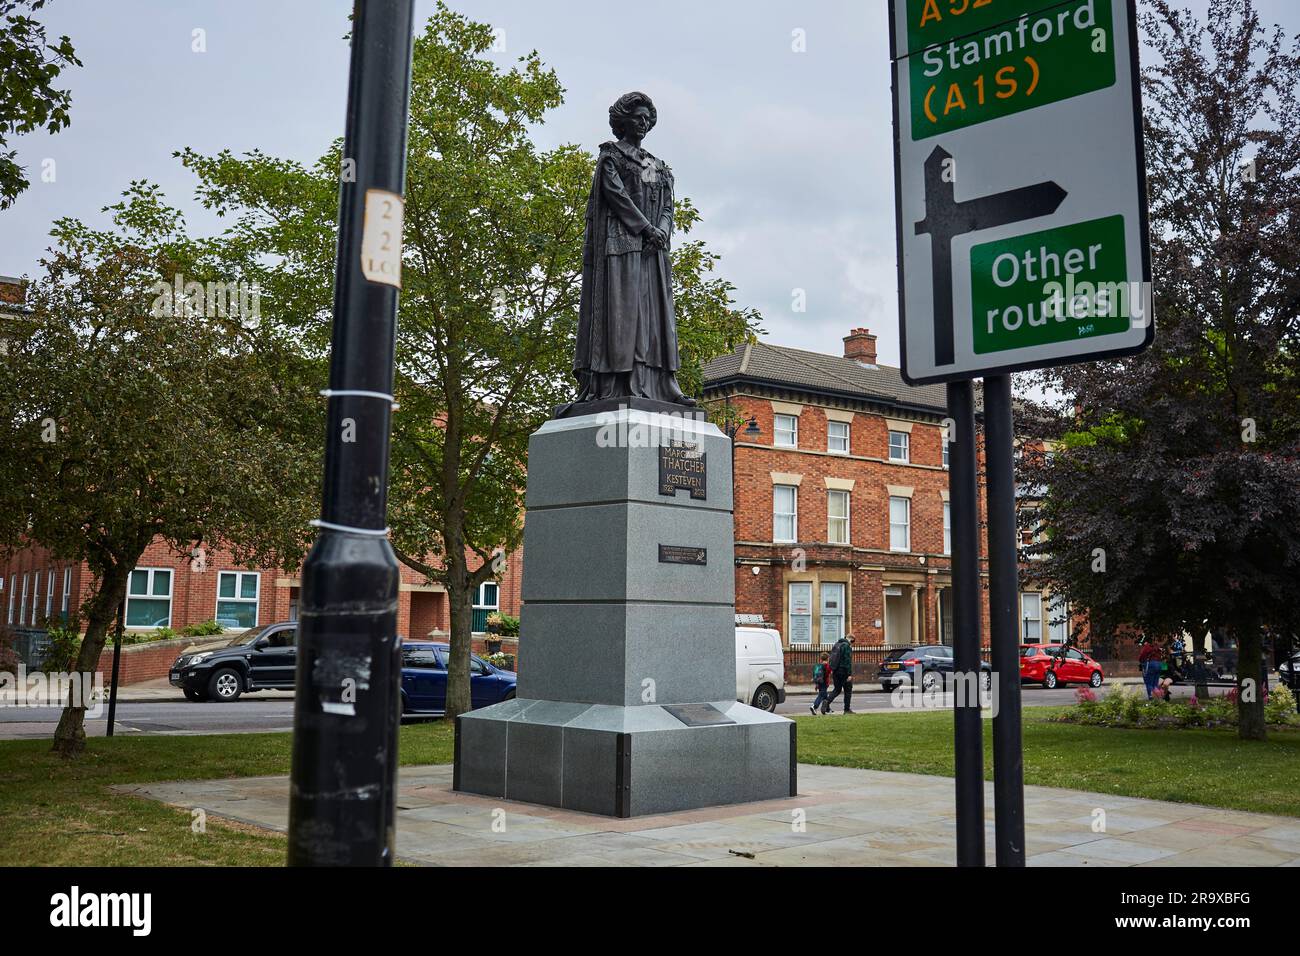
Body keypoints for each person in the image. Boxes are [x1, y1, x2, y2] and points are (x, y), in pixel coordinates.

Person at [821, 633, 856, 715]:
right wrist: (849, 674)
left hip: (835, 671)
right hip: (844, 671)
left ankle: (827, 701)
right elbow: (847, 661)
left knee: (837, 689)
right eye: (853, 642)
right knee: (848, 690)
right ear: (851, 640)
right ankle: (846, 710)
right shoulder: (846, 646)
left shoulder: (837, 644)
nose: (852, 644)